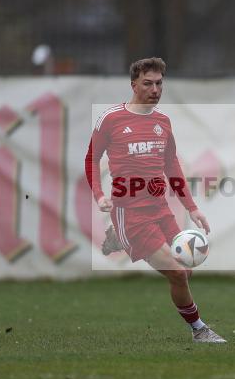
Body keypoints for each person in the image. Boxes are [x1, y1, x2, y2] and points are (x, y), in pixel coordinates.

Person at [86, 57, 226, 343]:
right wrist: (100, 195)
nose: (155, 89)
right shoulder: (111, 119)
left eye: (159, 83)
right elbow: (91, 158)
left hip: (159, 208)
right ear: (133, 85)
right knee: (177, 273)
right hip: (130, 211)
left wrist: (193, 208)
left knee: (186, 268)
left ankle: (118, 238)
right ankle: (199, 330)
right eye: (148, 83)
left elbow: (171, 166)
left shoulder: (162, 121)